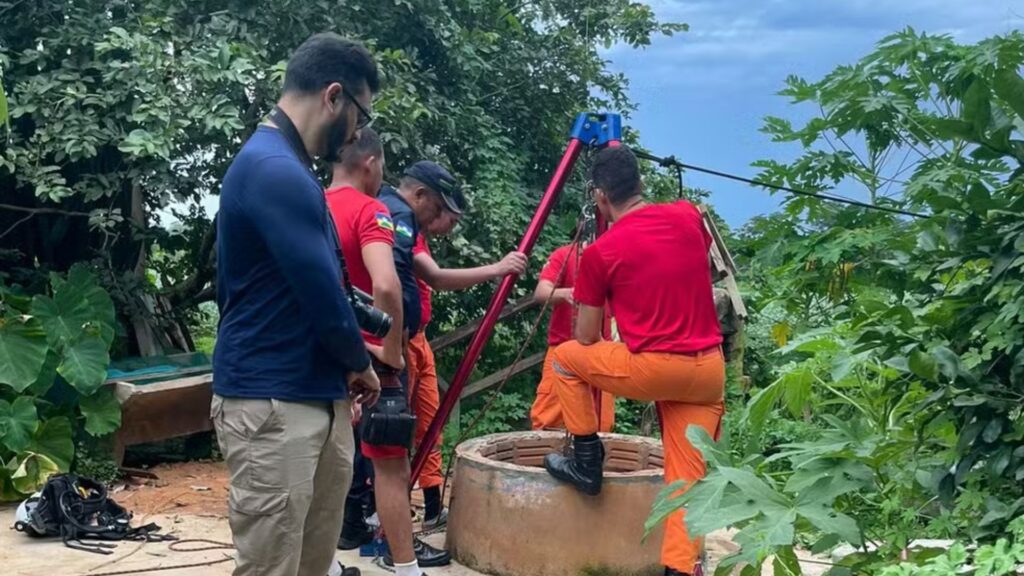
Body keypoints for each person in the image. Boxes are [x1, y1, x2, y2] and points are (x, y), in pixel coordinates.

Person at [213, 33, 381, 576]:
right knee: (271, 567)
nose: (358, 132)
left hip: (311, 396)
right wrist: (362, 364)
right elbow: (321, 294)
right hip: (272, 400)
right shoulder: (272, 169)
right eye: (360, 115)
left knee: (311, 565)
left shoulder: (288, 167)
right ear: (334, 96)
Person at [542, 146, 725, 576]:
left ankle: (586, 461)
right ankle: (679, 569)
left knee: (566, 359)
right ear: (640, 183)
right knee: (685, 482)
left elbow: (587, 336)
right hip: (708, 371)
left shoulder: (601, 252)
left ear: (600, 197)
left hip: (654, 367)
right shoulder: (688, 216)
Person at [326, 141, 453, 575]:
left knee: (326, 459)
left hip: (323, 354)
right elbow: (387, 285)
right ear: (372, 162)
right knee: (389, 466)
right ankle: (405, 568)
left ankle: (323, 564)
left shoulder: (312, 206)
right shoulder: (374, 211)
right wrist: (392, 352)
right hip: (372, 357)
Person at [409, 193, 528, 529]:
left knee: (431, 424)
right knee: (392, 428)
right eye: (452, 220)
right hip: (401, 341)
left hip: (420, 339)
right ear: (432, 207)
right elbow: (437, 277)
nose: (451, 227)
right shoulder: (404, 233)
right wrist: (498, 269)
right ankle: (374, 511)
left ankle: (432, 507)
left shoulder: (419, 236)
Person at [530, 236, 616, 433]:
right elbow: (542, 292)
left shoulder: (618, 256)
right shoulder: (565, 254)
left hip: (602, 352)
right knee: (547, 419)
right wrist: (570, 293)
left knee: (602, 424)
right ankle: (541, 461)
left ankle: (594, 461)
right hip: (563, 349)